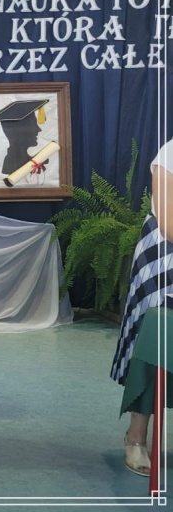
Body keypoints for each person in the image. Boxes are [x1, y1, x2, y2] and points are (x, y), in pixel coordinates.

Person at [111, 137, 173, 476]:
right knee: (154, 347)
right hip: (164, 260)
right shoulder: (169, 155)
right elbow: (169, 222)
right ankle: (136, 437)